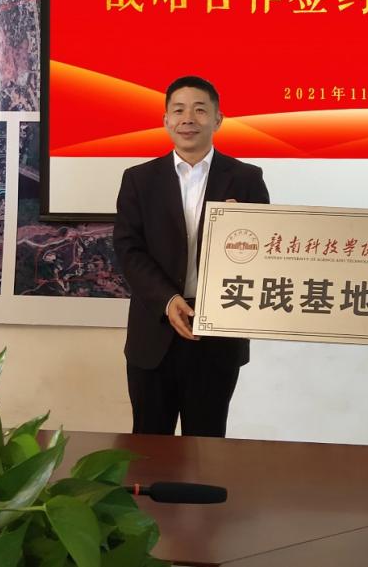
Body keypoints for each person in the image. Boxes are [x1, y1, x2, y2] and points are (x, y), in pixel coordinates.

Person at [113, 76, 269, 436]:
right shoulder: (139, 179)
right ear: (166, 120)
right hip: (154, 330)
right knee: (150, 445)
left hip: (217, 332)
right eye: (179, 110)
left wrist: (244, 226)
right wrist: (167, 300)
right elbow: (128, 248)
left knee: (207, 444)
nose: (188, 119)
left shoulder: (246, 178)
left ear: (218, 119)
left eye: (200, 110)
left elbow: (264, 252)